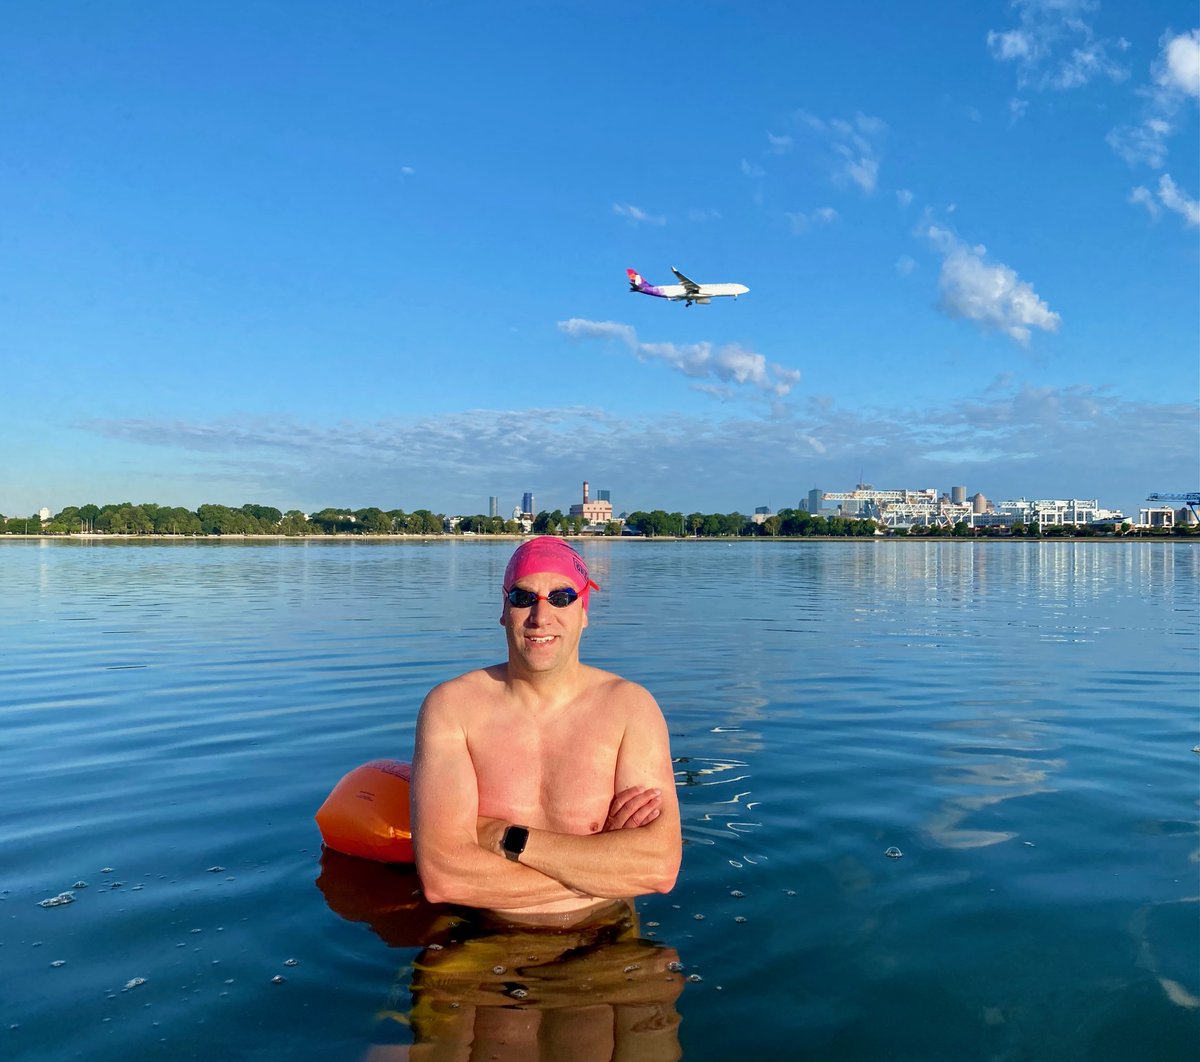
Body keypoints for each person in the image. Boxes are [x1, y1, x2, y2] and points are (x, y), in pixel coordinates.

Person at [411, 536, 681, 920]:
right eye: (524, 598)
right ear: (504, 610)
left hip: (605, 933)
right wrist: (603, 865)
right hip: (479, 934)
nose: (541, 616)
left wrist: (502, 837)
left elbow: (659, 867)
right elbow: (444, 878)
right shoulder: (452, 708)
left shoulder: (630, 709)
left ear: (584, 611)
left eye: (561, 597)